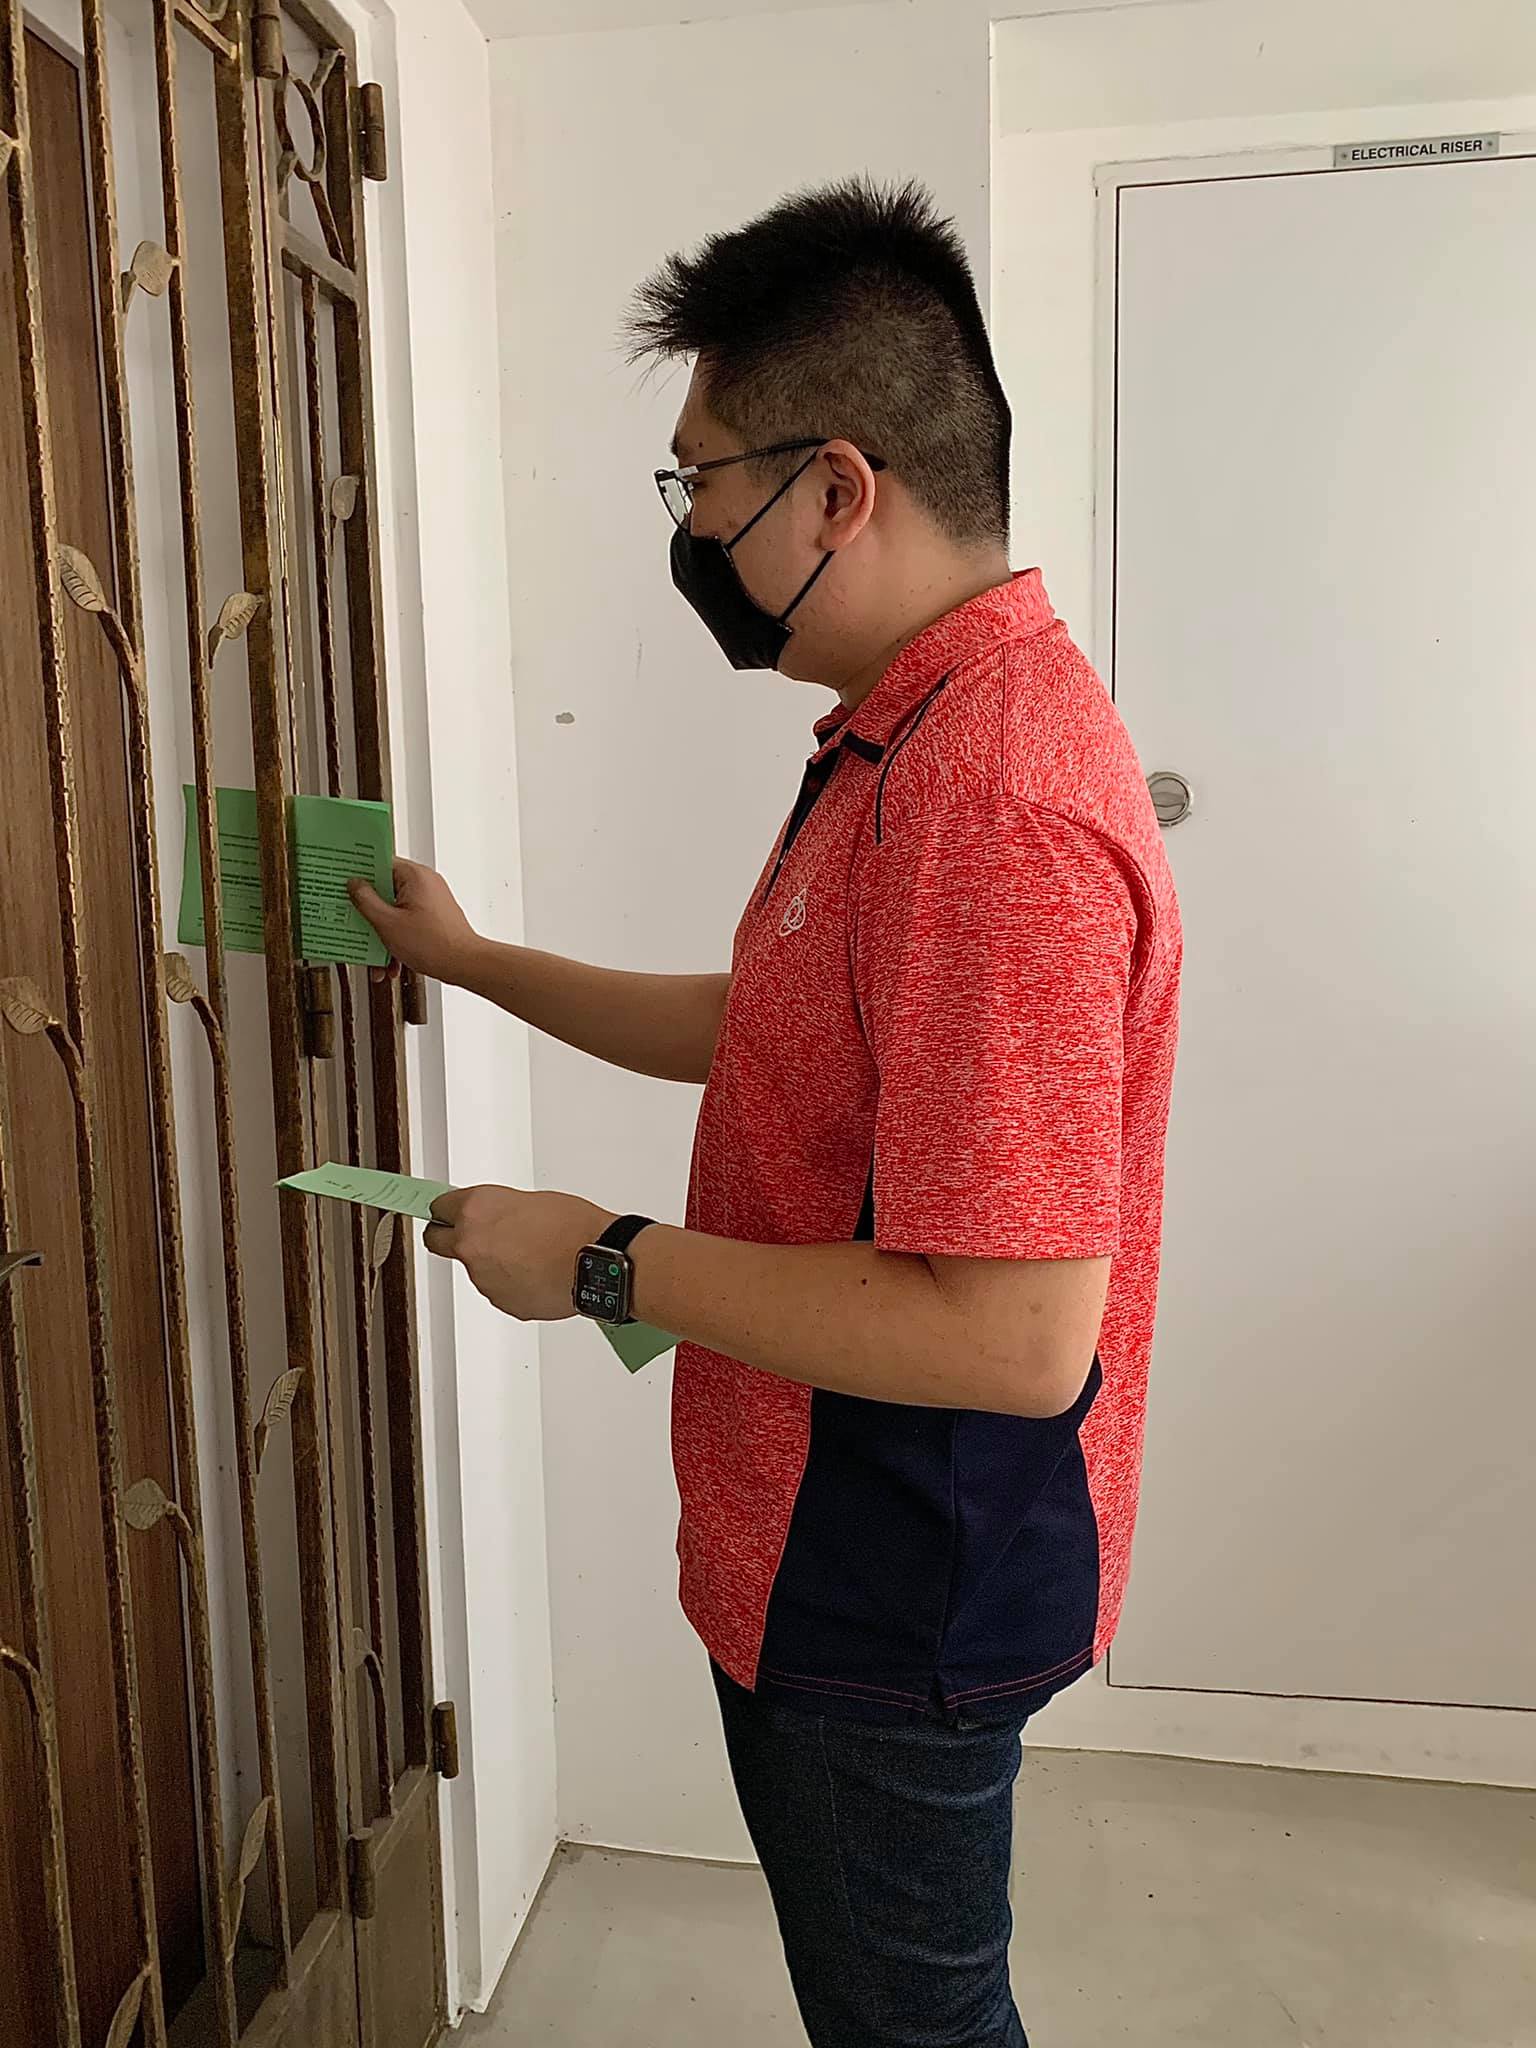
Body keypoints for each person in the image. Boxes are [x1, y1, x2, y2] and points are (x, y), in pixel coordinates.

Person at [352, 178, 1181, 2048]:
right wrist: (476, 966)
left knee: (914, 2027)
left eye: (702, 483)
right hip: (836, 1540)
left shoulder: (993, 800)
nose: (694, 532)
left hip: (896, 1573)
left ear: (837, 490)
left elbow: (1015, 1337)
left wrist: (606, 1261)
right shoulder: (908, 735)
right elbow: (785, 1034)